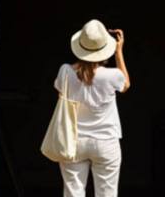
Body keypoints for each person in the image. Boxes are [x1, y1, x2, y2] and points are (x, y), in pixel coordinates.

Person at [54, 19, 130, 197]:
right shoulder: (112, 76)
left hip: (74, 141)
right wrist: (119, 52)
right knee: (107, 193)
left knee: (73, 192)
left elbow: (60, 94)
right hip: (106, 142)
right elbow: (126, 84)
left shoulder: (65, 71)